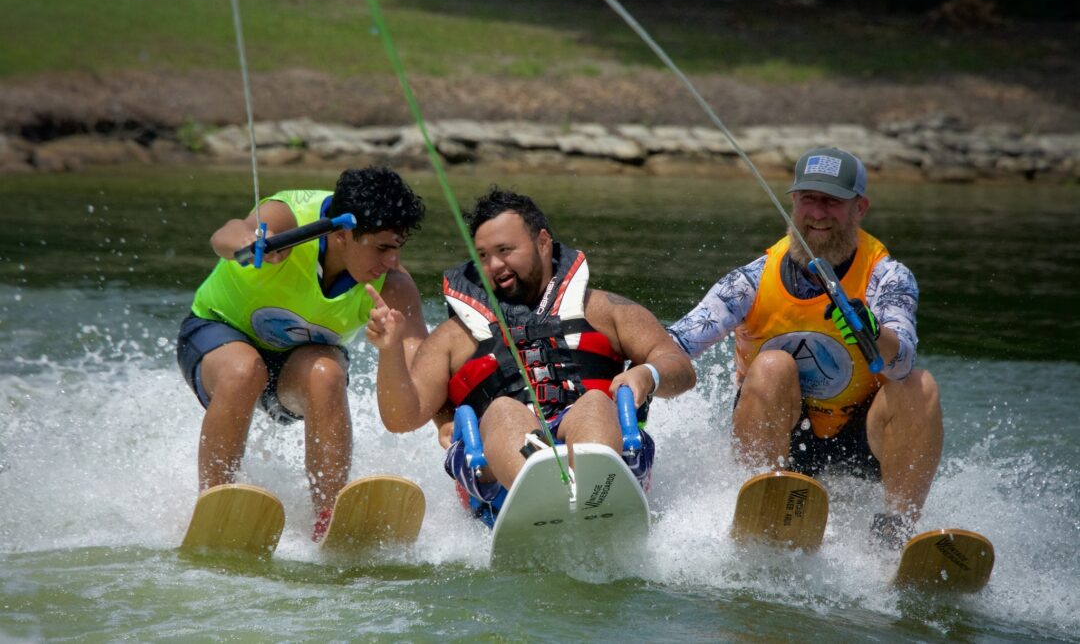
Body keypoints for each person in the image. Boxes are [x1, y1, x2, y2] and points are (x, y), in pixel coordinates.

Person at [366, 187, 696, 526]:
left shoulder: (604, 310)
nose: (494, 265)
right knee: (504, 412)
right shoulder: (453, 336)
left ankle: (594, 494)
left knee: (596, 403)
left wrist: (648, 375)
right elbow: (400, 417)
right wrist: (389, 351)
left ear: (542, 242)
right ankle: (542, 495)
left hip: (600, 452)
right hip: (499, 483)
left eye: (505, 250)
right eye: (482, 255)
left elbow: (681, 368)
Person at [667, 147, 943, 549]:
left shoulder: (888, 277)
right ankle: (761, 504)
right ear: (793, 203)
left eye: (832, 201)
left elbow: (900, 362)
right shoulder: (749, 281)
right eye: (808, 199)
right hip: (781, 426)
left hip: (859, 437)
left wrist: (871, 329)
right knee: (772, 366)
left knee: (919, 385)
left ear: (859, 208)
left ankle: (892, 534)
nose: (818, 213)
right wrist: (632, 372)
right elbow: (676, 344)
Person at [176, 166, 428, 541]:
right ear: (342, 234)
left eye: (397, 248)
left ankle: (328, 516)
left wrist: (445, 416)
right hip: (215, 336)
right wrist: (251, 239)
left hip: (294, 369)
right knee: (245, 369)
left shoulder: (393, 287)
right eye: (382, 247)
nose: (391, 261)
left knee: (327, 374)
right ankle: (216, 502)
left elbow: (423, 374)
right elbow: (224, 234)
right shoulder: (290, 215)